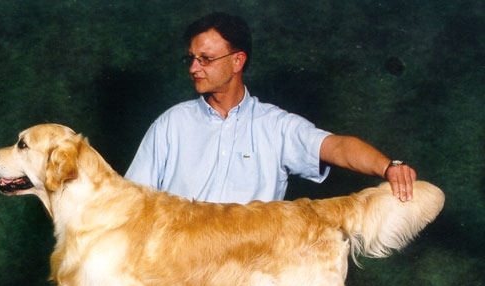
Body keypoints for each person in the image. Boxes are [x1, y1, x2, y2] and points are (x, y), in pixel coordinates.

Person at [125, 12, 416, 204]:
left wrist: (389, 167)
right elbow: (129, 200)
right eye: (191, 58)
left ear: (237, 61)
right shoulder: (171, 124)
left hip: (250, 273)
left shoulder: (275, 126)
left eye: (206, 59)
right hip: (178, 272)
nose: (193, 68)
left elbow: (337, 147)